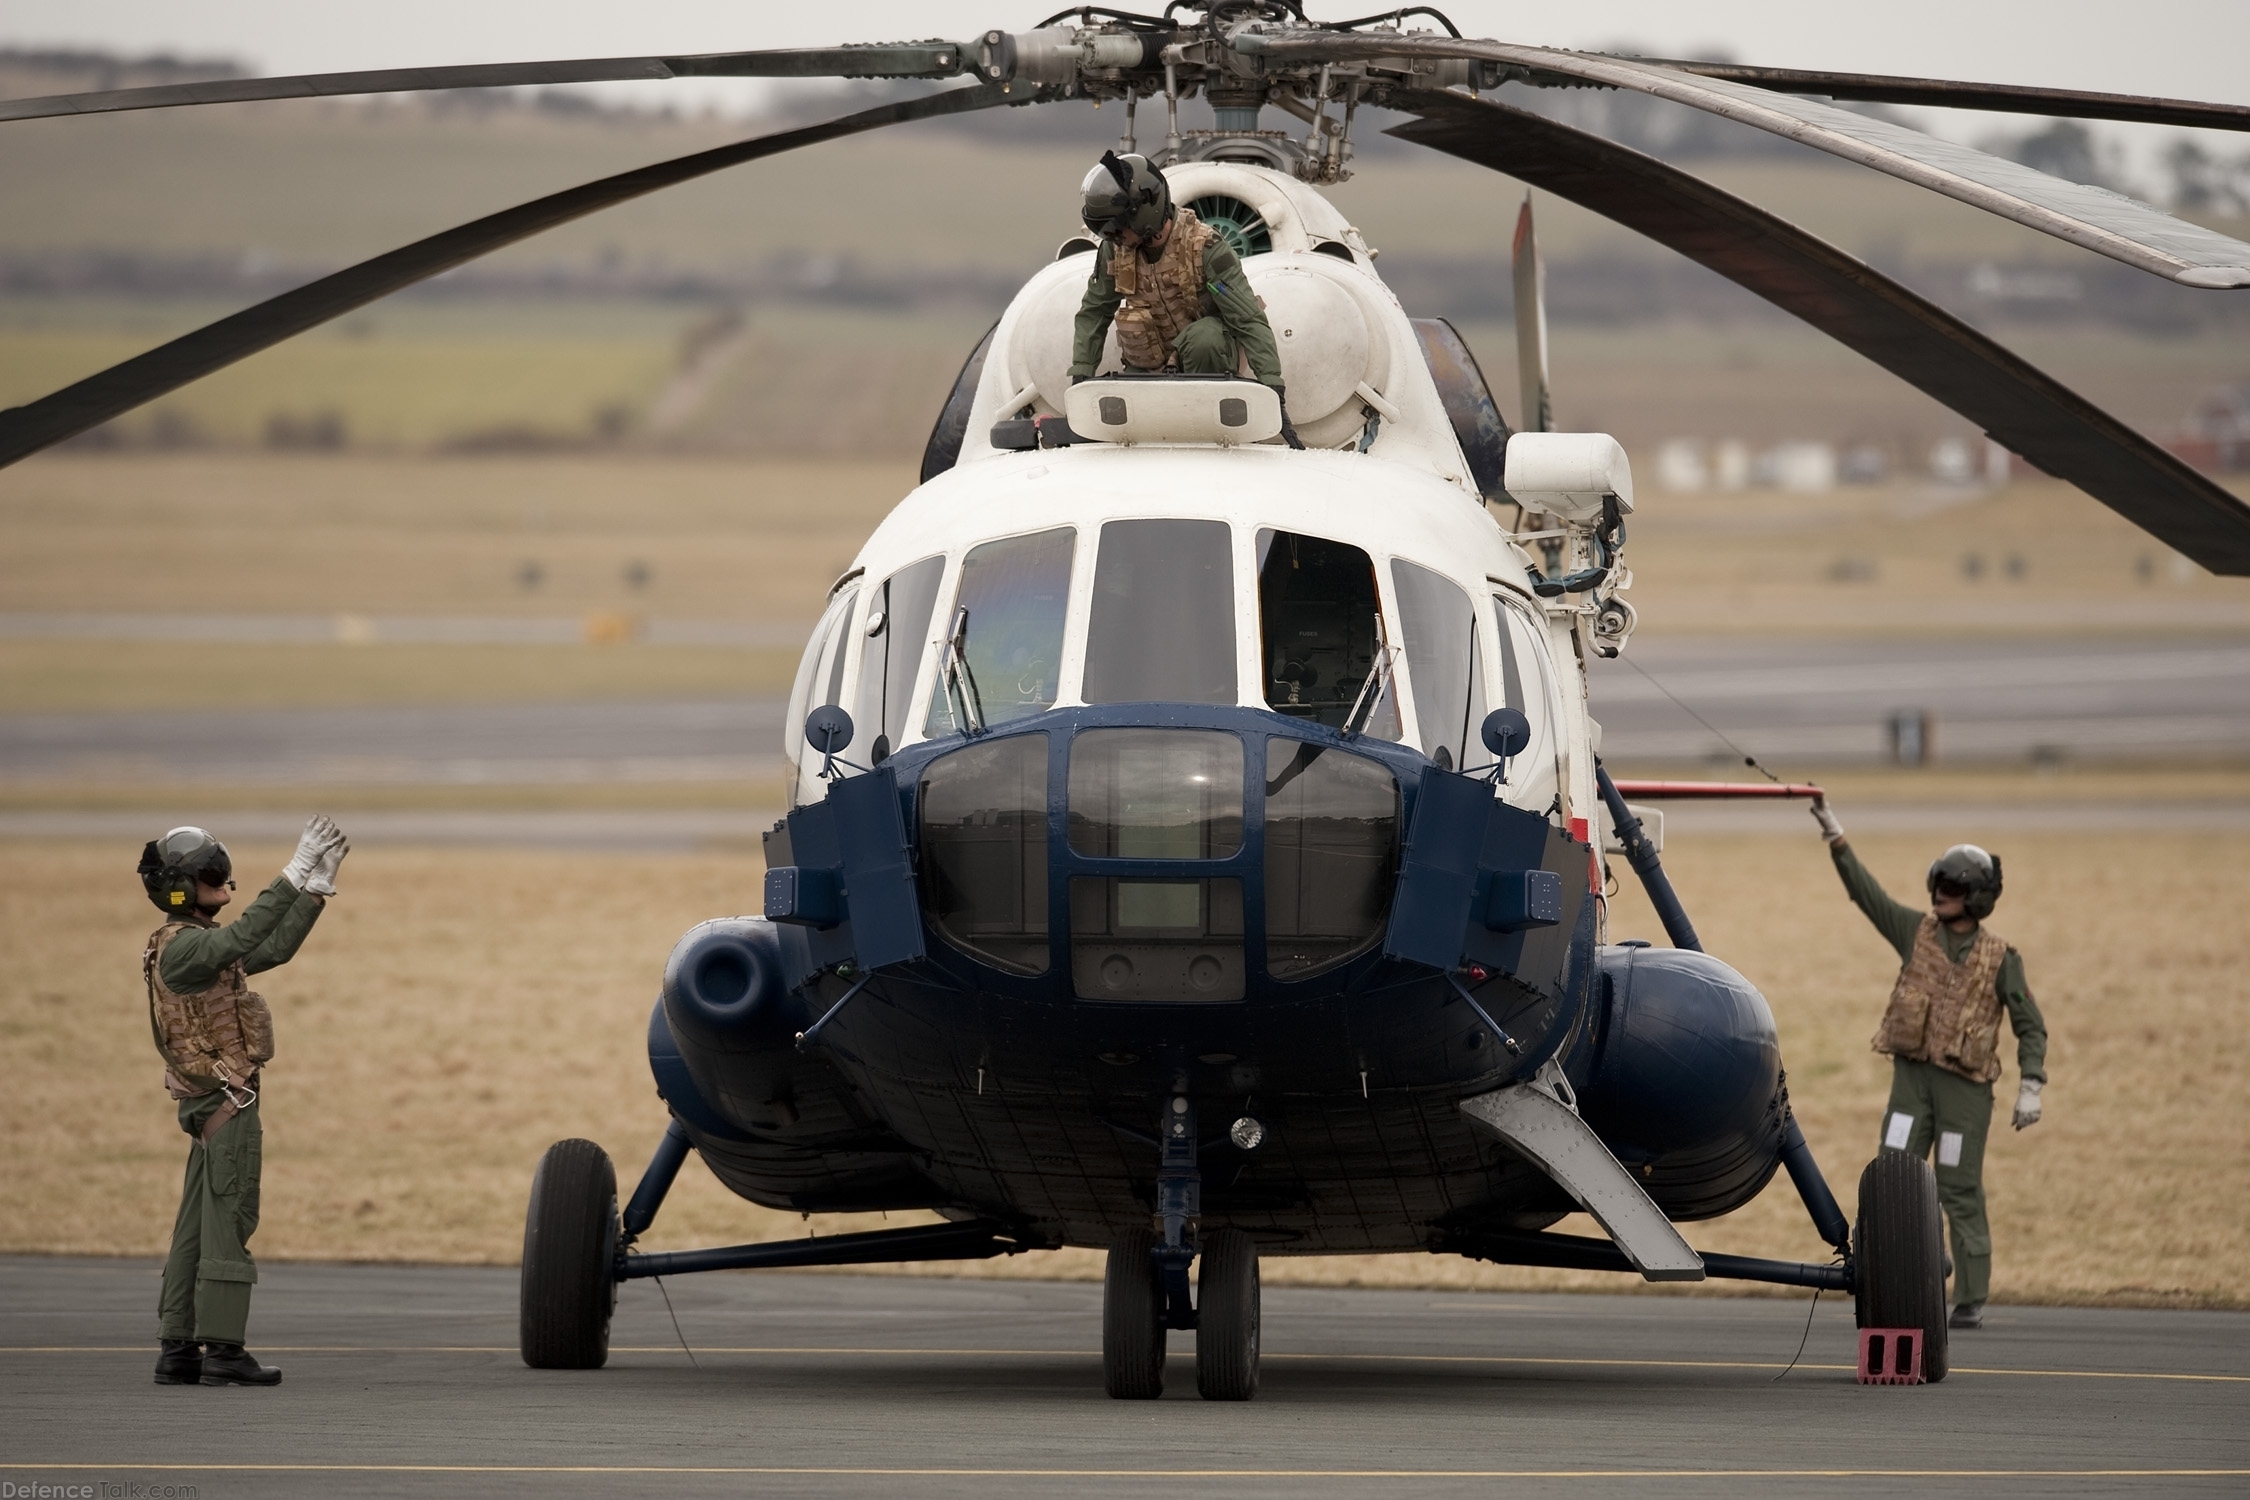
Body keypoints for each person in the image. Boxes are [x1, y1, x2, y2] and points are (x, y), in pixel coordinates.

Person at [1811, 799, 2046, 1330]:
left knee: (1958, 1186)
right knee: (1890, 1176)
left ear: (1978, 899)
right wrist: (1837, 838)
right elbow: (1866, 897)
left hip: (1964, 1093)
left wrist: (2031, 1082)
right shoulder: (1913, 932)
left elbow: (2030, 1023)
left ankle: (1970, 1296)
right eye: (1940, 884)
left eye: (1955, 888)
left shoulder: (2002, 958)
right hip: (1911, 1083)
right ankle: (1885, 1277)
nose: (1942, 894)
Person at [140, 817, 348, 1386]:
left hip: (211, 1104)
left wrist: (316, 891)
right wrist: (294, 870)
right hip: (226, 1106)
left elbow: (269, 947)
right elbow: (240, 937)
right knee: (231, 1219)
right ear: (182, 889)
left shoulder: (190, 949)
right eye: (212, 873)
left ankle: (178, 1347)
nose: (223, 880)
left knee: (193, 1229)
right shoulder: (188, 950)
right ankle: (225, 1350)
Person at [1069, 150, 1297, 443]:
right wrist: (1081, 377)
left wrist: (1273, 389)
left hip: (1206, 360)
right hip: (1150, 358)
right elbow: (1095, 312)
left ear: (1144, 212)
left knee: (1205, 337)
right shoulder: (1115, 250)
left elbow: (1247, 319)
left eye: (1117, 227)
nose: (1112, 236)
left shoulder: (1205, 248)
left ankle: (1204, 429)